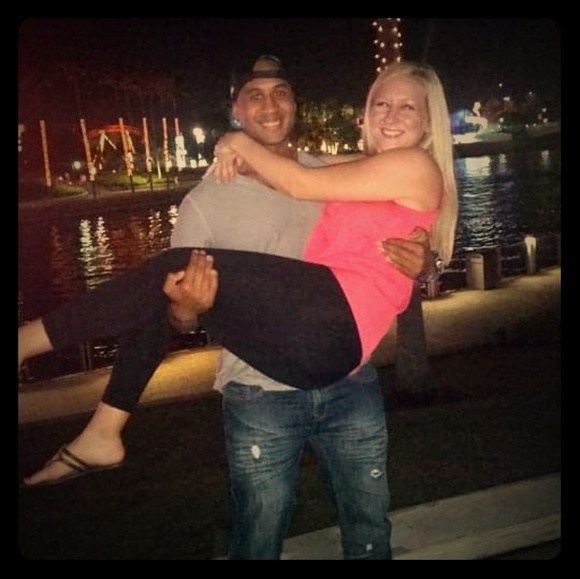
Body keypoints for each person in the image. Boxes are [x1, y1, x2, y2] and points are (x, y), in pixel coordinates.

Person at [18, 55, 455, 559]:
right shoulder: (228, 194)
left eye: (407, 107)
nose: (391, 115)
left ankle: (32, 349)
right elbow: (178, 316)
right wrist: (188, 307)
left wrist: (427, 264)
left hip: (337, 347)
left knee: (368, 531)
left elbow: (300, 183)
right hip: (274, 376)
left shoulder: (407, 165)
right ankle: (103, 430)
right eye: (381, 103)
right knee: (168, 281)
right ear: (236, 107)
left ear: (428, 123)